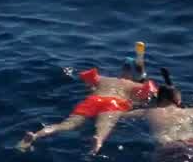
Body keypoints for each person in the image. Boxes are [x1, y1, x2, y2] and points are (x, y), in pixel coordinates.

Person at [18, 59, 158, 152]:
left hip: (93, 100)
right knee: (105, 126)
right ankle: (98, 141)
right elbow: (149, 97)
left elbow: (90, 85)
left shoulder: (104, 78)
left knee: (67, 125)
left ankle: (35, 136)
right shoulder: (136, 85)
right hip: (114, 103)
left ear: (123, 70)